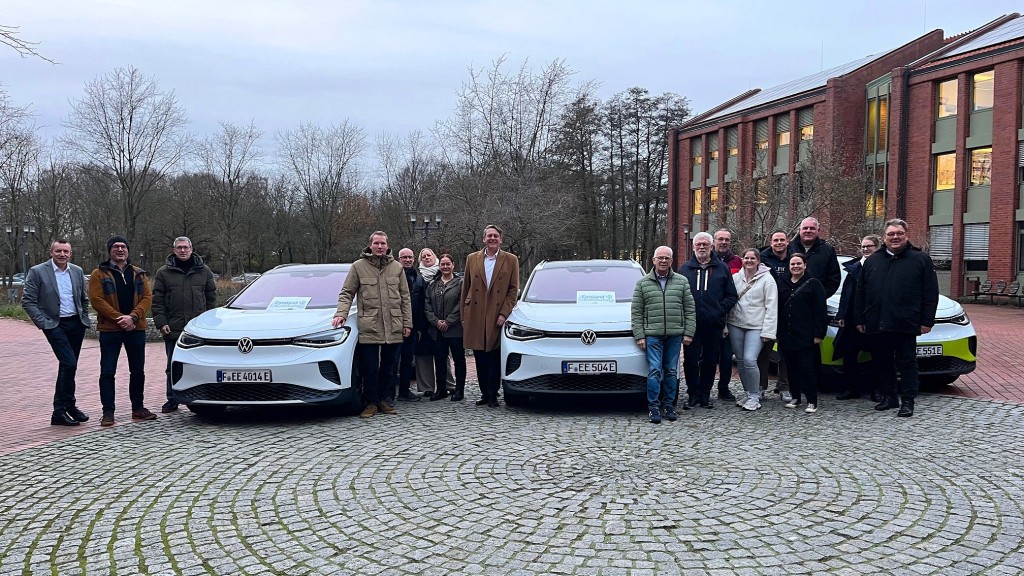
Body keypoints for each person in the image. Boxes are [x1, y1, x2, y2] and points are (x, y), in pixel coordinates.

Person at [855, 218, 939, 417]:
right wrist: (860, 319)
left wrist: (927, 321)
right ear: (884, 237)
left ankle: (908, 401)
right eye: (891, 234)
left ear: (906, 235)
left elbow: (930, 293)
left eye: (899, 234)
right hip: (878, 322)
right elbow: (861, 292)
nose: (895, 237)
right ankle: (889, 396)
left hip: (906, 322)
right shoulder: (873, 261)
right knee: (883, 361)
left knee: (907, 362)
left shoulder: (920, 259)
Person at [333, 231, 413, 418]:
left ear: (387, 245)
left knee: (389, 365)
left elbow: (405, 297)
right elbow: (347, 292)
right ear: (370, 245)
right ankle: (370, 402)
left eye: (382, 243)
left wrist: (407, 322)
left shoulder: (396, 267)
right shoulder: (358, 267)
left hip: (393, 324)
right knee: (369, 366)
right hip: (369, 323)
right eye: (376, 243)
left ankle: (385, 400)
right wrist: (341, 313)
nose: (379, 246)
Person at [22, 240, 92, 426]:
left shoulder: (76, 271)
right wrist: (44, 323)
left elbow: (83, 298)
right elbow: (28, 301)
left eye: (66, 251)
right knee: (68, 363)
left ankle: (69, 406)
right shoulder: (38, 271)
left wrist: (83, 316)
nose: (62, 254)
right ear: (51, 252)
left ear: (71, 253)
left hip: (75, 324)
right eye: (58, 251)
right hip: (55, 324)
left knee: (69, 365)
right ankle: (58, 411)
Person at [89, 235, 156, 426]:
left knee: (138, 371)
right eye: (116, 247)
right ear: (110, 250)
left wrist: (132, 317)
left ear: (128, 250)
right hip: (110, 330)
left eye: (123, 247)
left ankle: (138, 408)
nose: (120, 250)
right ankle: (108, 412)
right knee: (108, 371)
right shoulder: (98, 274)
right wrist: (120, 318)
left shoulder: (139, 273)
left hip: (136, 328)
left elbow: (147, 297)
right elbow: (97, 300)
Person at [151, 236, 217, 413]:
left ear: (191, 249)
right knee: (172, 365)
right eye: (179, 247)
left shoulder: (204, 271)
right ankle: (172, 398)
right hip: (173, 326)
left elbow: (211, 298)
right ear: (174, 250)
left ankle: (204, 395)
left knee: (203, 363)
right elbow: (157, 301)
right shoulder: (163, 273)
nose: (182, 250)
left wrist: (210, 321)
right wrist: (161, 322)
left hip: (199, 329)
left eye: (185, 247)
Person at [631, 246, 695, 424]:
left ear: (671, 261)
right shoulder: (643, 283)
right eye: (660, 258)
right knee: (654, 371)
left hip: (675, 335)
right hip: (653, 335)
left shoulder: (681, 282)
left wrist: (688, 332)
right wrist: (640, 336)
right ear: (653, 260)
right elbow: (636, 312)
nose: (663, 261)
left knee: (672, 371)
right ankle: (653, 407)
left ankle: (669, 405)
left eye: (667, 258)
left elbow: (690, 309)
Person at [461, 224, 519, 408]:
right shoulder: (472, 259)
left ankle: (493, 393)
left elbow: (512, 290)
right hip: (476, 312)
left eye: (495, 236)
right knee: (479, 356)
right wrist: (464, 314)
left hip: (497, 313)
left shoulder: (511, 260)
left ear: (501, 239)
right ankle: (484, 392)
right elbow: (466, 287)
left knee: (494, 355)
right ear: (483, 239)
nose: (492, 239)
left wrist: (504, 313)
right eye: (489, 236)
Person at [679, 232, 738, 409]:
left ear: (711, 246)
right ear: (693, 247)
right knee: (690, 361)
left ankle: (705, 395)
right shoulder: (685, 269)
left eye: (705, 244)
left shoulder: (721, 268)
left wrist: (719, 310)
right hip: (692, 324)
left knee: (711, 361)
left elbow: (731, 295)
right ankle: (693, 394)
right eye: (699, 244)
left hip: (714, 324)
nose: (702, 247)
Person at [726, 249, 778, 411]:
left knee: (750, 360)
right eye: (746, 258)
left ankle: (755, 395)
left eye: (752, 258)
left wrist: (768, 332)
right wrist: (725, 324)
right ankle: (748, 393)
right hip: (736, 324)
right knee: (740, 360)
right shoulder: (735, 278)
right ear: (742, 260)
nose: (749, 261)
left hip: (756, 326)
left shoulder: (767, 280)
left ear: (758, 261)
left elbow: (771, 307)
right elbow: (728, 301)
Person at [776, 252, 827, 413]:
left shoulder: (814, 284)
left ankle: (812, 400)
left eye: (799, 264)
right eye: (793, 264)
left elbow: (821, 310)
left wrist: (819, 334)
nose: (796, 266)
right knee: (791, 367)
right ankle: (796, 397)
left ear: (805, 265)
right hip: (786, 333)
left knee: (807, 368)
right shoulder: (782, 283)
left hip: (806, 334)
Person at [832, 234, 882, 401]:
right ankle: (851, 388)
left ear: (878, 248)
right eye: (863, 247)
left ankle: (878, 390)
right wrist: (842, 314)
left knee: (878, 356)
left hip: (875, 319)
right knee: (849, 355)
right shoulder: (853, 268)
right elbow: (846, 293)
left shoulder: (883, 267)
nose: (866, 249)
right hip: (853, 318)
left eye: (870, 246)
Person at [425, 253, 467, 401]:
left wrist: (448, 321)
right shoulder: (433, 284)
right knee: (440, 360)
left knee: (459, 360)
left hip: (455, 329)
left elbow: (461, 304)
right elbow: (427, 304)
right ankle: (441, 389)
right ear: (439, 266)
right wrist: (436, 322)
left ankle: (460, 390)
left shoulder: (460, 283)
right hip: (437, 330)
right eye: (442, 264)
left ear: (453, 265)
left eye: (448, 264)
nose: (445, 266)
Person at [759, 229, 792, 401]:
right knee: (764, 351)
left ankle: (784, 386)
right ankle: (761, 386)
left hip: (788, 311)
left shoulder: (794, 258)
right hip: (767, 312)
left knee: (785, 351)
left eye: (782, 240)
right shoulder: (762, 259)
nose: (779, 243)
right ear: (771, 242)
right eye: (775, 240)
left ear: (788, 242)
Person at [713, 229, 742, 401]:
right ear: (714, 241)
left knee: (726, 356)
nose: (723, 242)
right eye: (720, 239)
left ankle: (724, 388)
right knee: (706, 356)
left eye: (727, 240)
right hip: (711, 316)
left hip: (730, 315)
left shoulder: (737, 261)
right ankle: (703, 388)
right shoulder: (708, 260)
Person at [396, 248, 425, 401]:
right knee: (393, 360)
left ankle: (404, 391)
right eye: (404, 257)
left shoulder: (418, 277)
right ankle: (388, 392)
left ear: (413, 259)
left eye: (409, 257)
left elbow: (421, 303)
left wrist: (419, 327)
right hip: (395, 325)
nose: (407, 260)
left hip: (413, 326)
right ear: (398, 259)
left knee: (407, 360)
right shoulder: (394, 275)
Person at [789, 216, 841, 298]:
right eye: (805, 228)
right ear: (799, 230)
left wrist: (821, 295)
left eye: (812, 228)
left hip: (817, 303)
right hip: (791, 301)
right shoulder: (789, 248)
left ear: (818, 230)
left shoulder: (827, 250)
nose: (808, 231)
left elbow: (834, 278)